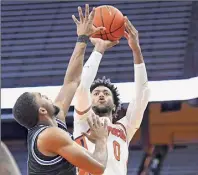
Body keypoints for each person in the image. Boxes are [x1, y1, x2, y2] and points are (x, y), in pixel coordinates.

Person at [13, 4, 117, 175]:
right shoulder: (48, 136)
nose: (46, 95)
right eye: (41, 96)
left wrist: (82, 38)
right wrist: (101, 140)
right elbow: (98, 167)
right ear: (42, 110)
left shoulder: (55, 120)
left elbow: (71, 81)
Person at [73, 16, 150, 175]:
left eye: (106, 93)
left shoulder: (125, 127)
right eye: (96, 93)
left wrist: (136, 50)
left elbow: (142, 95)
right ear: (89, 101)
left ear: (114, 104)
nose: (101, 95)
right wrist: (98, 49)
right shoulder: (83, 121)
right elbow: (81, 88)